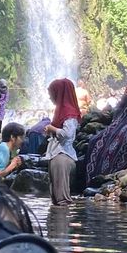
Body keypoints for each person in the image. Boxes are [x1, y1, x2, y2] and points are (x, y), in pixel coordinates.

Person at [44, 79, 80, 207]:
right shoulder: (62, 112)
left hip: (62, 157)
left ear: (58, 93)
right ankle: (58, 225)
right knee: (56, 200)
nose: (50, 97)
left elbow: (68, 134)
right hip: (58, 156)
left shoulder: (68, 112)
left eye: (51, 93)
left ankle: (61, 224)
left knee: (62, 200)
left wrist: (51, 128)